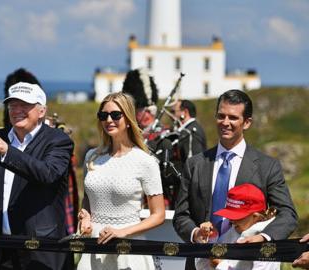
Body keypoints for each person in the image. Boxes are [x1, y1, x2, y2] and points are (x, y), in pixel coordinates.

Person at [173, 89, 298, 269]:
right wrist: (195, 233)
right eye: (221, 116)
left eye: (232, 118)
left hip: (244, 263)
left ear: (246, 123)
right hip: (200, 262)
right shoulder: (195, 164)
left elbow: (288, 214)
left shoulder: (267, 166)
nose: (225, 123)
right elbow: (181, 215)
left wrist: (262, 238)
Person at [0, 82, 74, 270]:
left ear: (42, 111)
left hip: (41, 250)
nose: (17, 110)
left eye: (24, 105)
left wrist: (7, 152)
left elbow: (47, 173)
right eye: (12, 105)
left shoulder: (58, 141)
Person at [77, 92, 165, 270]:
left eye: (115, 115)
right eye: (103, 115)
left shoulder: (145, 161)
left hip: (128, 247)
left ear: (128, 118)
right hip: (94, 246)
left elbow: (158, 215)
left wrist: (122, 232)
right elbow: (88, 199)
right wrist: (85, 216)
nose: (109, 120)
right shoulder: (91, 157)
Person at [194, 183, 280, 270]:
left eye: (237, 217)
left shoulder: (265, 242)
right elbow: (203, 267)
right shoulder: (232, 231)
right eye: (229, 216)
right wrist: (209, 240)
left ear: (255, 217)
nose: (232, 221)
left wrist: (220, 265)